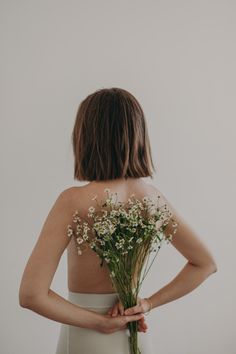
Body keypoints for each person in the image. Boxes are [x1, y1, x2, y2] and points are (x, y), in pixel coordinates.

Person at [18, 87, 217, 354]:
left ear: (85, 137)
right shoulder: (152, 198)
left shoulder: (72, 201)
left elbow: (31, 295)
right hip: (133, 331)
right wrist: (146, 304)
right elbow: (205, 264)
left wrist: (99, 322)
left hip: (85, 336)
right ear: (138, 136)